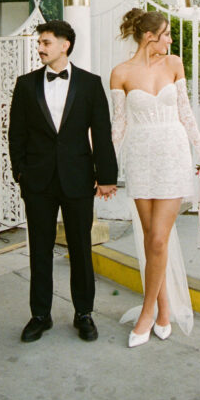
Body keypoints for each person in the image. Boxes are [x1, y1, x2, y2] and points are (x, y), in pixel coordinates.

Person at [9, 20, 118, 343]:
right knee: (39, 250)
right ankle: (40, 315)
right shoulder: (26, 84)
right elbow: (16, 134)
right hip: (38, 182)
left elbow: (101, 132)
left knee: (81, 249)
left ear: (64, 45)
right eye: (39, 42)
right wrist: (21, 173)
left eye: (45, 42)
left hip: (78, 179)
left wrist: (107, 176)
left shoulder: (89, 83)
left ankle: (84, 313)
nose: (40, 47)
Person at [110, 8, 200, 347]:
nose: (170, 40)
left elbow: (186, 114)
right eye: (166, 34)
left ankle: (147, 312)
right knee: (153, 240)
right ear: (148, 36)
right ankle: (164, 307)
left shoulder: (174, 64)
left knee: (157, 240)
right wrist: (105, 168)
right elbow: (119, 126)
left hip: (172, 155)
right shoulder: (120, 73)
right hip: (140, 159)